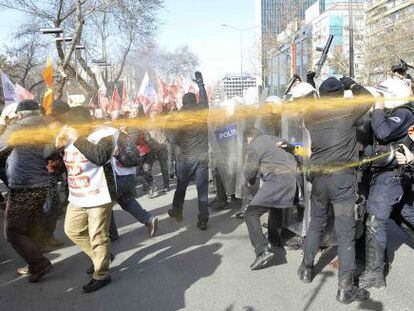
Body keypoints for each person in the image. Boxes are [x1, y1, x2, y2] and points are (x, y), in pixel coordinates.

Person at [298, 77, 371, 304]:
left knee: (316, 223)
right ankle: (345, 289)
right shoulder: (346, 109)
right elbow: (368, 98)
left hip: (319, 179)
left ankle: (306, 268)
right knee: (346, 231)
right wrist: (352, 84)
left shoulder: (310, 115)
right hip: (342, 181)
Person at [359, 77, 414, 289]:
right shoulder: (399, 113)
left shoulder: (403, 113)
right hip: (394, 175)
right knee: (405, 213)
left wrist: (379, 106)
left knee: (375, 220)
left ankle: (374, 274)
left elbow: (383, 132)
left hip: (392, 177)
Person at [55, 107, 116, 293]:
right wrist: (57, 146)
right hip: (78, 195)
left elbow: (99, 157)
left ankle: (102, 274)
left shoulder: (105, 136)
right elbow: (51, 161)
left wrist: (77, 138)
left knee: (98, 236)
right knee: (72, 230)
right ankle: (101, 257)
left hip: (99, 194)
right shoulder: (69, 138)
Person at [0, 99, 53, 282]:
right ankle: (33, 263)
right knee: (29, 228)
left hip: (24, 187)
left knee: (13, 231)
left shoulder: (17, 126)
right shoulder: (45, 126)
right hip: (41, 185)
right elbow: (50, 153)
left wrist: (4, 125)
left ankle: (39, 263)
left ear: (20, 113)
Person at [243, 127, 297, 270]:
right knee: (275, 205)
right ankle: (275, 239)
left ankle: (262, 251)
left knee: (251, 213)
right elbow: (292, 149)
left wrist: (250, 181)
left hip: (277, 180)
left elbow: (249, 172)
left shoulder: (254, 145)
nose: (247, 144)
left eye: (247, 142)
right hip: (292, 180)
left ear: (249, 138)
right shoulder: (276, 139)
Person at [168, 71, 210, 230]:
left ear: (183, 102)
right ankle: (204, 219)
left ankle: (177, 212)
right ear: (195, 101)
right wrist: (200, 83)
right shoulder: (202, 111)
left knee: (181, 186)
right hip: (202, 157)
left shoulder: (179, 117)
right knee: (202, 189)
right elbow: (205, 100)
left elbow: (172, 139)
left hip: (185, 158)